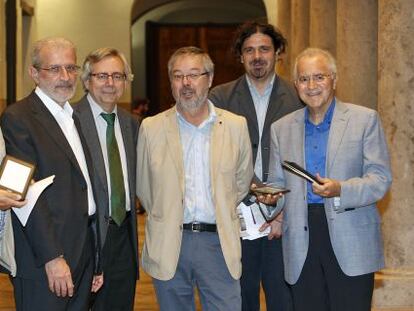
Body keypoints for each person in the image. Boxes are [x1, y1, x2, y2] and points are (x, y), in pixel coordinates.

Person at [265, 47, 392, 311]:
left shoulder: (364, 119)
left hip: (351, 235)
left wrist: (340, 189)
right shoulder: (281, 129)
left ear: (334, 79)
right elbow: (276, 183)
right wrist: (270, 200)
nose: (311, 86)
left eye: (319, 77)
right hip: (300, 238)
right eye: (303, 79)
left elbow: (380, 179)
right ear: (296, 84)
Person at [136, 46, 253, 311]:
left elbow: (241, 182)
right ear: (171, 82)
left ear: (209, 79)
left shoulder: (236, 126)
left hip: (218, 244)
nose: (186, 83)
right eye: (178, 76)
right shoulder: (151, 128)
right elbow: (145, 188)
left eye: (193, 74)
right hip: (170, 245)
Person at [0, 37, 103, 310]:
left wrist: (96, 257)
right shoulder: (18, 118)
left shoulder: (73, 116)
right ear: (34, 73)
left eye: (71, 68)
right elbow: (21, 195)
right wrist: (53, 257)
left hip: (83, 250)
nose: (66, 77)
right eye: (55, 69)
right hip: (45, 258)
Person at [209, 21, 302, 311]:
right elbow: (215, 158)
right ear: (240, 56)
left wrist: (280, 214)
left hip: (284, 218)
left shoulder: (298, 97)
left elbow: (303, 161)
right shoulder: (220, 99)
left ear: (278, 53)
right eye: (249, 50)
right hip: (238, 217)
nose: (257, 56)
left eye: (264, 49)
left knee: (283, 298)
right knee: (240, 296)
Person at [74, 47, 139, 310]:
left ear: (126, 81)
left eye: (117, 76)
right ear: (87, 81)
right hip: (85, 238)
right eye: (102, 76)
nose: (110, 83)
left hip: (124, 236)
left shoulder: (131, 123)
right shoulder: (71, 120)